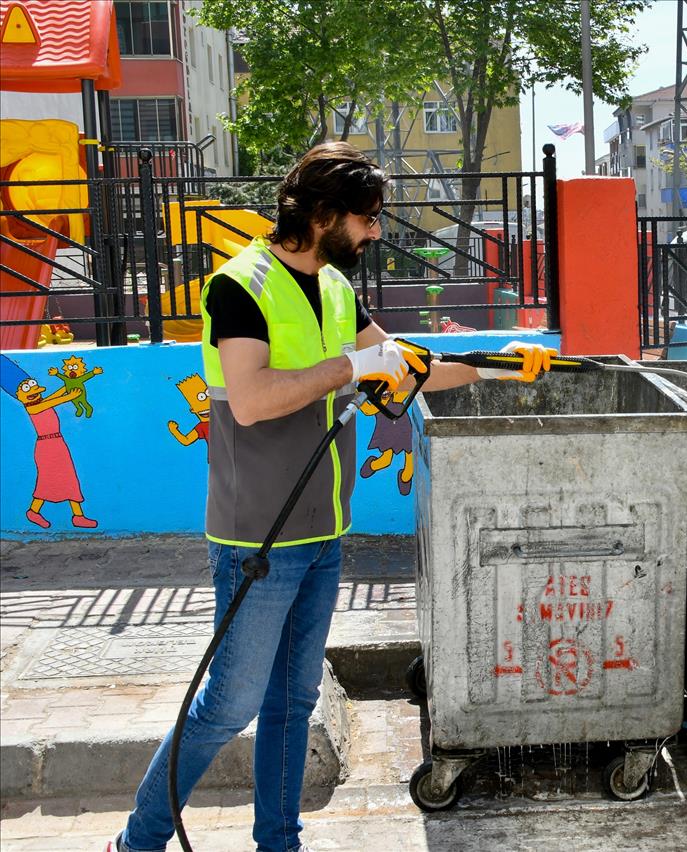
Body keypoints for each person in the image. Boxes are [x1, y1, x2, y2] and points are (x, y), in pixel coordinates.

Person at [108, 142, 553, 852]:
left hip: (321, 529)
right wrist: (352, 363)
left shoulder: (337, 289)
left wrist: (494, 368)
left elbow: (406, 365)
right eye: (368, 218)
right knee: (229, 706)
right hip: (258, 533)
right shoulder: (239, 286)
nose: (376, 232)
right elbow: (251, 400)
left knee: (293, 703)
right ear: (321, 214)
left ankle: (279, 843)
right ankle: (138, 841)